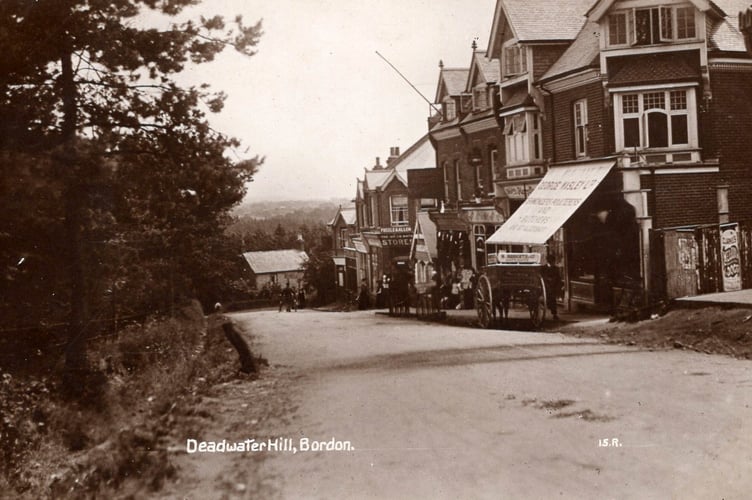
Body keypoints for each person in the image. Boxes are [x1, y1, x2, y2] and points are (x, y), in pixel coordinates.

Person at [541, 254, 563, 320]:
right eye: (550, 261)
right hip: (545, 286)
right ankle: (547, 308)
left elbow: (558, 278)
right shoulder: (543, 268)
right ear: (548, 261)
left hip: (553, 286)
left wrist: (558, 286)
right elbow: (542, 277)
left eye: (553, 261)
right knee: (548, 299)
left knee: (553, 300)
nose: (552, 262)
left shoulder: (556, 269)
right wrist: (547, 280)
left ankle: (554, 314)